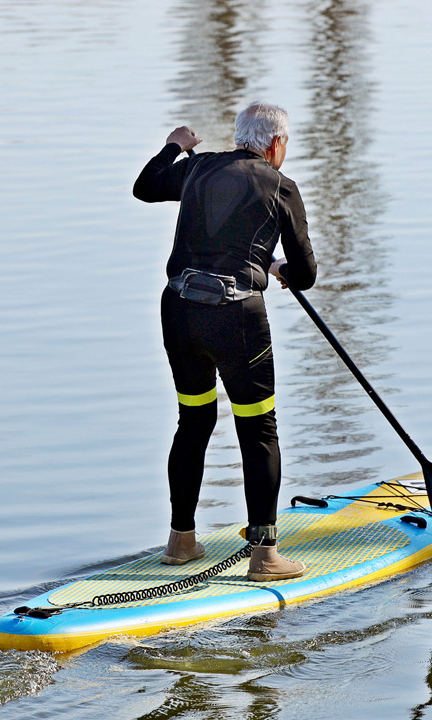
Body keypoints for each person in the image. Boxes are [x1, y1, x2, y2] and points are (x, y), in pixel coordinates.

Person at [133, 101, 317, 582]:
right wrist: (278, 269)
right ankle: (264, 556)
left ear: (240, 137)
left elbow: (146, 187)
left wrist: (174, 147)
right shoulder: (281, 186)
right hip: (236, 318)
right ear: (276, 144)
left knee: (193, 419)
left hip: (178, 310)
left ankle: (181, 542)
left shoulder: (197, 168)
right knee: (258, 429)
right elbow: (306, 275)